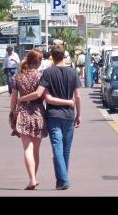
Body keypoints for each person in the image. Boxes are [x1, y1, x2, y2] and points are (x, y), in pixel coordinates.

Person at [17, 44, 81, 190]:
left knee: (57, 148)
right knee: (66, 149)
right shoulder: (73, 73)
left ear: (52, 56)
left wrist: (21, 99)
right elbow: (78, 96)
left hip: (53, 115)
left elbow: (45, 96)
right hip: (69, 115)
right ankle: (62, 179)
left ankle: (63, 180)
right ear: (64, 55)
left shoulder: (47, 73)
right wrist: (79, 114)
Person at [10, 50, 49, 190]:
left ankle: (32, 179)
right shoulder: (41, 77)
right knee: (36, 151)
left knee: (27, 148)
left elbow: (13, 99)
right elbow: (43, 97)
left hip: (23, 112)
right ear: (38, 62)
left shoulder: (17, 77)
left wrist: (12, 112)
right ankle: (33, 178)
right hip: (38, 112)